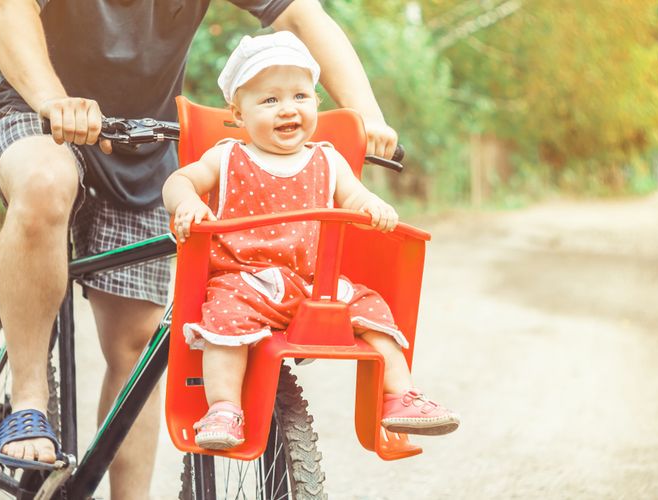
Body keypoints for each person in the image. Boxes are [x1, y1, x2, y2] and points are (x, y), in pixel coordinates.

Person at [0, 0, 401, 496]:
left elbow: (299, 14)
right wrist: (53, 99)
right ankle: (28, 400)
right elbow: (9, 11)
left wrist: (366, 117)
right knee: (46, 182)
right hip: (37, 111)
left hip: (140, 141)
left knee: (135, 347)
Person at [162, 31, 460, 451]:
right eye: (270, 100)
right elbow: (179, 180)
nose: (288, 109)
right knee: (223, 321)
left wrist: (373, 205)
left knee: (373, 308)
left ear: (317, 103)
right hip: (245, 281)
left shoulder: (327, 159)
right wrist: (186, 203)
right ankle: (224, 408)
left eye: (300, 96)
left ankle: (399, 395)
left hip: (311, 285)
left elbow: (355, 196)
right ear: (238, 113)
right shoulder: (228, 156)